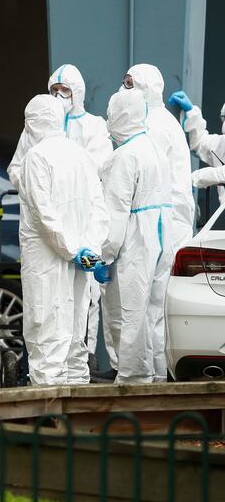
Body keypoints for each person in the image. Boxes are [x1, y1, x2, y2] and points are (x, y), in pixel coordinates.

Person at [5, 65, 115, 373]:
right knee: (73, 334)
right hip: (81, 256)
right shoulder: (77, 155)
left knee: (45, 329)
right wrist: (89, 249)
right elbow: (98, 207)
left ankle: (49, 409)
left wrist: (71, 249)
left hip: (50, 256)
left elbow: (44, 215)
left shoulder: (38, 156)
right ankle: (73, 408)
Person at [96, 88, 174, 384]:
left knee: (129, 312)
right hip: (161, 237)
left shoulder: (124, 156)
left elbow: (115, 214)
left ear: (119, 115)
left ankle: (133, 379)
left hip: (136, 241)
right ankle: (155, 375)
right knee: (152, 313)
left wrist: (105, 256)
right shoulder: (154, 149)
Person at [124, 65, 194, 257]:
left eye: (130, 84)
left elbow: (143, 175)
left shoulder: (155, 125)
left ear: (145, 88)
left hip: (165, 222)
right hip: (163, 219)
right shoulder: (155, 119)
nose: (123, 89)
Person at [167, 90, 225, 204]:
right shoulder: (222, 143)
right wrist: (191, 112)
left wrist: (195, 178)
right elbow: (201, 144)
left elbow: (221, 173)